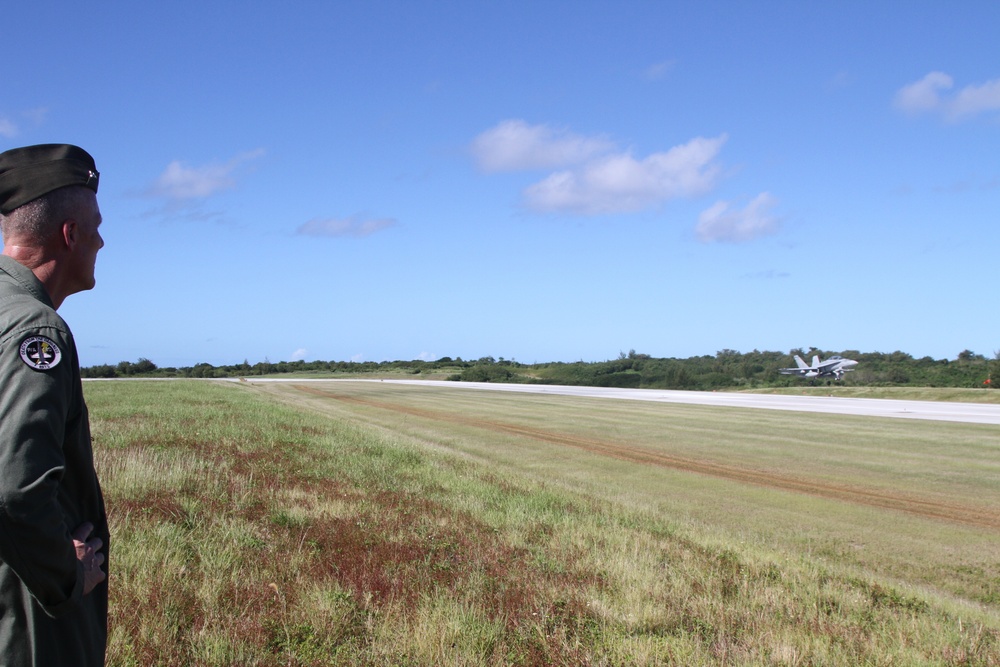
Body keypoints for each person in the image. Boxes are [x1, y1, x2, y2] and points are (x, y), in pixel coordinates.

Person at [0, 144, 109, 665]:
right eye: (97, 226)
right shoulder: (36, 329)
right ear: (69, 235)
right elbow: (15, 489)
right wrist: (68, 576)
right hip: (27, 608)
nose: (103, 241)